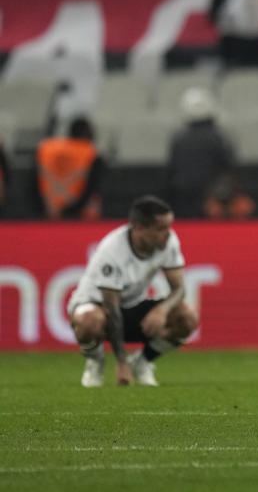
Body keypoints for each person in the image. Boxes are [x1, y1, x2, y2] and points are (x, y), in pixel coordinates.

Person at [67, 195, 198, 387]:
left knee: (187, 317)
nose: (168, 234)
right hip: (97, 306)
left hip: (132, 305)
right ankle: (95, 361)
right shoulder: (112, 251)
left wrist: (162, 310)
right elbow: (111, 309)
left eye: (169, 226)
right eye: (161, 228)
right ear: (139, 228)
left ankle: (142, 362)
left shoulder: (168, 242)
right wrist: (121, 362)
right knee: (90, 321)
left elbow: (179, 289)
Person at [165, 86, 237, 218]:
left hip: (184, 200)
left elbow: (172, 171)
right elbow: (228, 169)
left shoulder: (179, 139)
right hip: (212, 201)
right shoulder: (218, 138)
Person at [34, 116, 105, 220]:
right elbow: (93, 186)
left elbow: (34, 178)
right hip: (77, 213)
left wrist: (49, 204)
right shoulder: (90, 152)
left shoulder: (46, 148)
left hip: (46, 208)